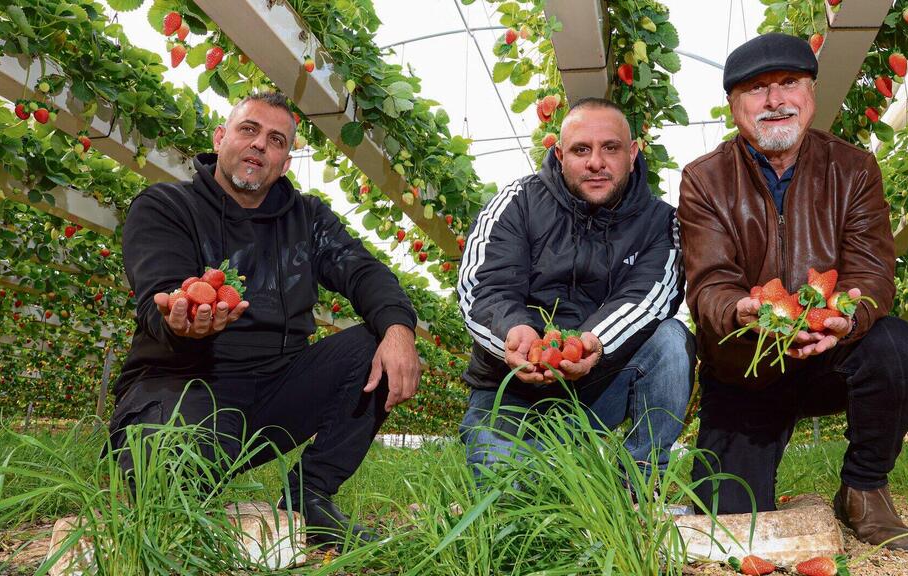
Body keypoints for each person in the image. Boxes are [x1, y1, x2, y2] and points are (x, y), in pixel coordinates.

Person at [108, 91, 421, 546]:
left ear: (285, 163)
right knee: (165, 497)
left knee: (377, 341)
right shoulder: (166, 206)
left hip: (276, 389)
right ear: (220, 138)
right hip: (184, 381)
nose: (259, 144)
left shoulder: (308, 218)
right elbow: (160, 295)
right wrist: (183, 323)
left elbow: (363, 271)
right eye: (248, 129)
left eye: (276, 140)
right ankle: (175, 471)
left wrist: (399, 330)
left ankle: (310, 497)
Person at [678, 33, 908, 551]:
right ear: (734, 105)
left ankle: (864, 487)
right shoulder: (704, 180)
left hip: (829, 358)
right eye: (755, 89)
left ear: (810, 92)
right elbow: (708, 283)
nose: (774, 100)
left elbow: (872, 272)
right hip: (747, 370)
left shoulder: (853, 168)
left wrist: (844, 317)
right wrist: (740, 311)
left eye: (788, 82)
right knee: (731, 529)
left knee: (899, 347)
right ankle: (744, 466)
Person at [456, 97, 695, 481]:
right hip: (511, 389)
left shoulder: (660, 223)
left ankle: (638, 482)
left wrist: (592, 343)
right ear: (560, 153)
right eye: (581, 149)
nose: (596, 162)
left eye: (610, 148)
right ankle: (535, 466)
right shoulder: (517, 202)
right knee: (508, 501)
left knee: (671, 339)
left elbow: (648, 300)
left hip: (595, 387)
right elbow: (482, 287)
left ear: (632, 153)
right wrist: (513, 337)